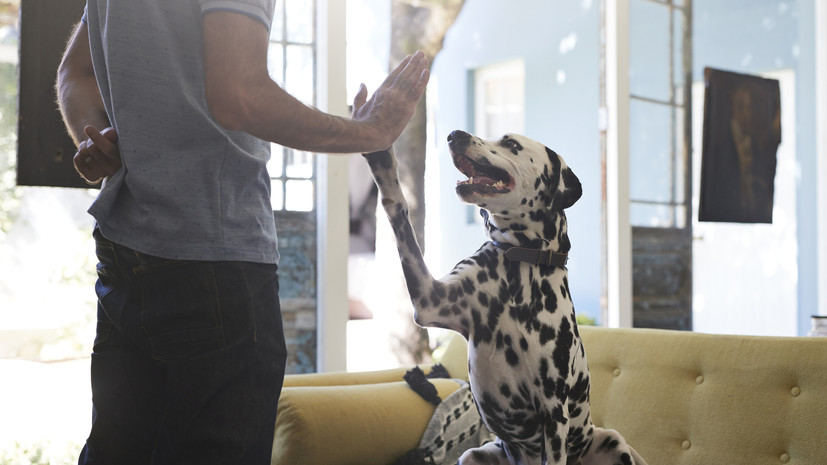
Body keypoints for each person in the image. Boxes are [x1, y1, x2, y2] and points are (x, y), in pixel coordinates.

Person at [55, 1, 429, 464]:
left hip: (126, 252)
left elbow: (76, 70)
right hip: (214, 260)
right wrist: (368, 132)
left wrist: (96, 135)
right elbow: (239, 94)